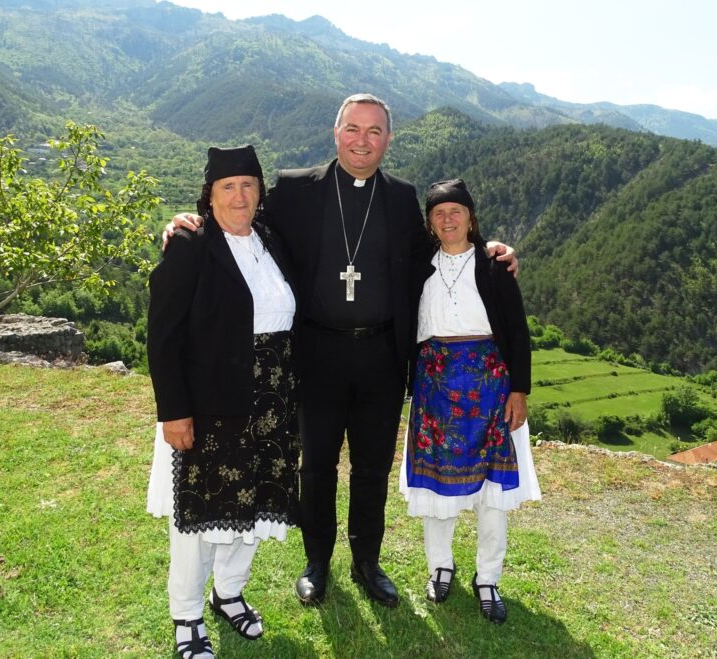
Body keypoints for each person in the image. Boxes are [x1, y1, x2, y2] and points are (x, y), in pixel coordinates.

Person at [164, 93, 518, 609]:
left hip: (381, 356)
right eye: (353, 129)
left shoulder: (400, 196)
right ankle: (317, 562)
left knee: (372, 468)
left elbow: (438, 248)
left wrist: (490, 251)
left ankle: (367, 562)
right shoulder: (295, 188)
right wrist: (186, 220)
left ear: (388, 139)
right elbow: (241, 221)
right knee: (317, 467)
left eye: (374, 131)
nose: (362, 141)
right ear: (336, 133)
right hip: (316, 353)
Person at [146, 145, 300, 658]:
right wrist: (173, 412)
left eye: (248, 185)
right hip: (211, 406)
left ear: (260, 192)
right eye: (227, 187)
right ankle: (187, 615)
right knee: (199, 516)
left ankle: (229, 592)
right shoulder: (191, 245)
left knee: (251, 505)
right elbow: (163, 336)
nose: (239, 196)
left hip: (272, 402)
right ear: (208, 196)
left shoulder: (271, 239)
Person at [400, 178, 540, 624]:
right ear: (430, 223)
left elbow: (516, 331)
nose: (447, 220)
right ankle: (440, 567)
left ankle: (488, 578)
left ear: (471, 218)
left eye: (455, 212)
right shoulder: (416, 266)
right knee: (435, 485)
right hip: (435, 389)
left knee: (493, 493)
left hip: (491, 389)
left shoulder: (494, 266)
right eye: (438, 214)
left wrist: (519, 391)